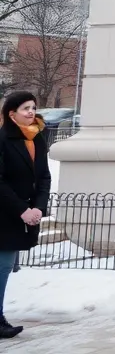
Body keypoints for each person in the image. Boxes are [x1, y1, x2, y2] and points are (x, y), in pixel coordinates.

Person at [0, 92, 51, 339]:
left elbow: (44, 177)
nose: (31, 112)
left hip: (27, 212)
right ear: (12, 114)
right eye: (25, 108)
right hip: (5, 211)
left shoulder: (37, 138)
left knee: (5, 266)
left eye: (33, 107)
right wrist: (22, 210)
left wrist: (39, 207)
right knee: (3, 265)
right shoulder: (2, 139)